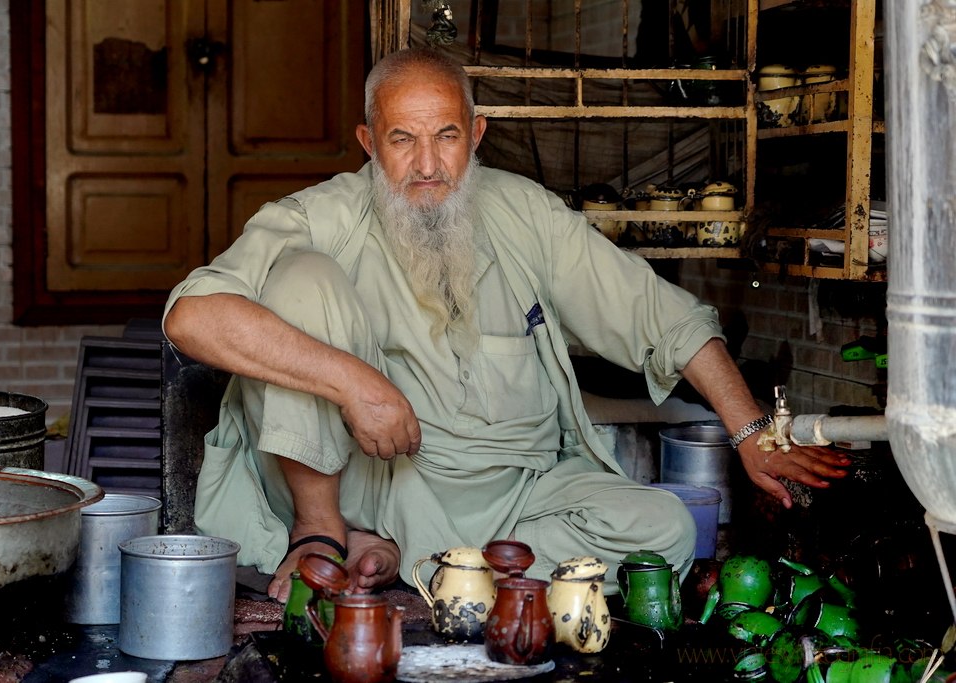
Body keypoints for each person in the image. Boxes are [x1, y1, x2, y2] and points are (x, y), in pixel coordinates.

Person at [163, 47, 848, 602]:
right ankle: (326, 534)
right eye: (402, 139)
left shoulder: (525, 214)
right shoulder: (326, 215)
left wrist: (752, 430)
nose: (427, 166)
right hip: (381, 486)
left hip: (520, 501)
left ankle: (445, 575)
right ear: (369, 142)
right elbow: (192, 316)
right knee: (299, 279)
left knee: (664, 529)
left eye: (446, 137)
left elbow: (658, 313)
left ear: (477, 134)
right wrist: (352, 382)